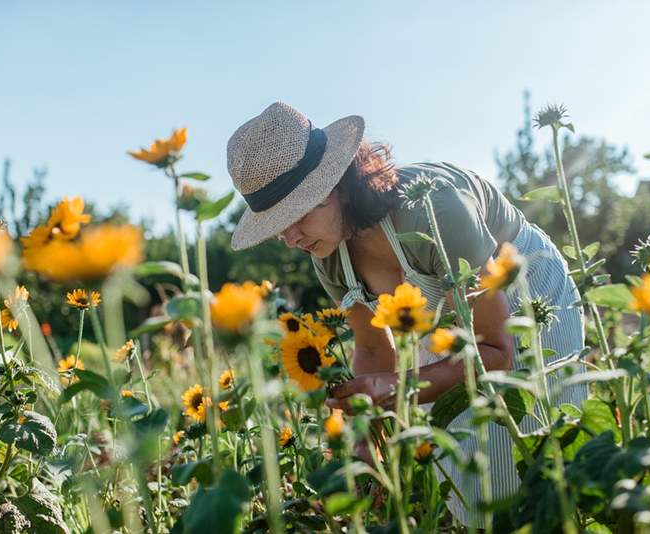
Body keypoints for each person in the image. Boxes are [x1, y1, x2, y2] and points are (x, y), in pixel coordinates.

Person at [226, 101, 587, 526]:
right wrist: (365, 450)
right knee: (467, 468)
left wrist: (396, 389)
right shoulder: (326, 255)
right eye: (276, 223)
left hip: (525, 295)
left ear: (337, 184)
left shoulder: (434, 210)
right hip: (444, 322)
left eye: (297, 213)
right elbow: (375, 351)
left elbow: (496, 351)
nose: (289, 237)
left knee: (541, 449)